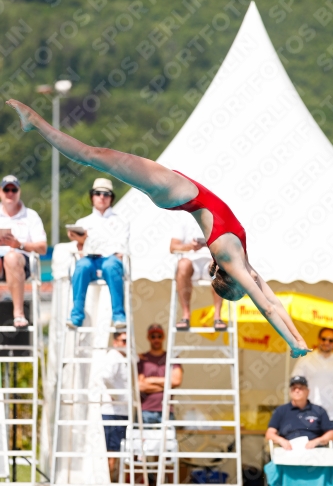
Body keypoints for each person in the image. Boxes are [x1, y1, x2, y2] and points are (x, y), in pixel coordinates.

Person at [6, 99, 311, 357]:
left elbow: (267, 309)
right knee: (96, 157)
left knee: (94, 156)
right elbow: (272, 301)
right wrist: (298, 341)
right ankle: (36, 123)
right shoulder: (240, 263)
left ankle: (35, 122)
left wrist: (291, 343)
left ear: (232, 280)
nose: (251, 285)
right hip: (177, 190)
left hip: (172, 190)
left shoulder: (229, 256)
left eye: (243, 287)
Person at [66, 177, 129, 328]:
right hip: (90, 262)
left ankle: (119, 315)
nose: (102, 197)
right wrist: (81, 241)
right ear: (92, 196)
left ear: (111, 198)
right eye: (98, 193)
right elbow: (81, 251)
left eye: (106, 194)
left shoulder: (122, 221)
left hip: (110, 261)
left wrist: (88, 242)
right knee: (81, 266)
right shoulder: (83, 222)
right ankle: (76, 315)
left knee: (111, 265)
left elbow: (120, 251)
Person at [0, 174, 47, 327]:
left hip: (21, 263)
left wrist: (19, 244)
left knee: (12, 257)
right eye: (6, 189)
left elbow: (42, 248)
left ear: (19, 191)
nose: (10, 193)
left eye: (13, 189)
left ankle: (18, 312)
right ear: (1, 192)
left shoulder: (31, 216)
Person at [170, 212, 225, 331]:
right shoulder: (183, 217)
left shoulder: (216, 217)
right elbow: (173, 247)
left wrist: (207, 245)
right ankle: (185, 315)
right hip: (191, 262)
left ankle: (217, 316)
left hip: (210, 260)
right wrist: (190, 246)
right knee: (183, 265)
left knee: (219, 267)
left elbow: (225, 246)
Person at [265, 375, 333, 450]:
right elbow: (269, 434)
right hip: (288, 451)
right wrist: (282, 441)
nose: (297, 390)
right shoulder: (281, 410)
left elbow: (330, 433)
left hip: (315, 451)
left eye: (300, 388)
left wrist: (317, 441)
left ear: (307, 391)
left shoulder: (319, 410)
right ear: (290, 392)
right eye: (294, 388)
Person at [138, 324, 182, 424]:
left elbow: (176, 380)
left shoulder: (172, 358)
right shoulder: (142, 359)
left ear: (164, 337)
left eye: (159, 336)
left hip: (167, 410)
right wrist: (166, 385)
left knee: (168, 439)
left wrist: (151, 380)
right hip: (145, 410)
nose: (156, 339)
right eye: (153, 336)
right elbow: (140, 386)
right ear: (148, 338)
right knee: (144, 439)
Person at [100, 331, 128, 480]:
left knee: (116, 453)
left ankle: (111, 480)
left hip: (121, 412)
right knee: (111, 453)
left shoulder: (123, 358)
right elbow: (105, 376)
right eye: (124, 340)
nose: (127, 344)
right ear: (115, 341)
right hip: (112, 412)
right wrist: (115, 395)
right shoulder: (113, 357)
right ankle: (108, 481)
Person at [291, 327, 333, 420]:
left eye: (331, 340)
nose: (327, 342)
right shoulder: (305, 359)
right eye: (324, 339)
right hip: (309, 413)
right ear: (318, 339)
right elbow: (295, 385)